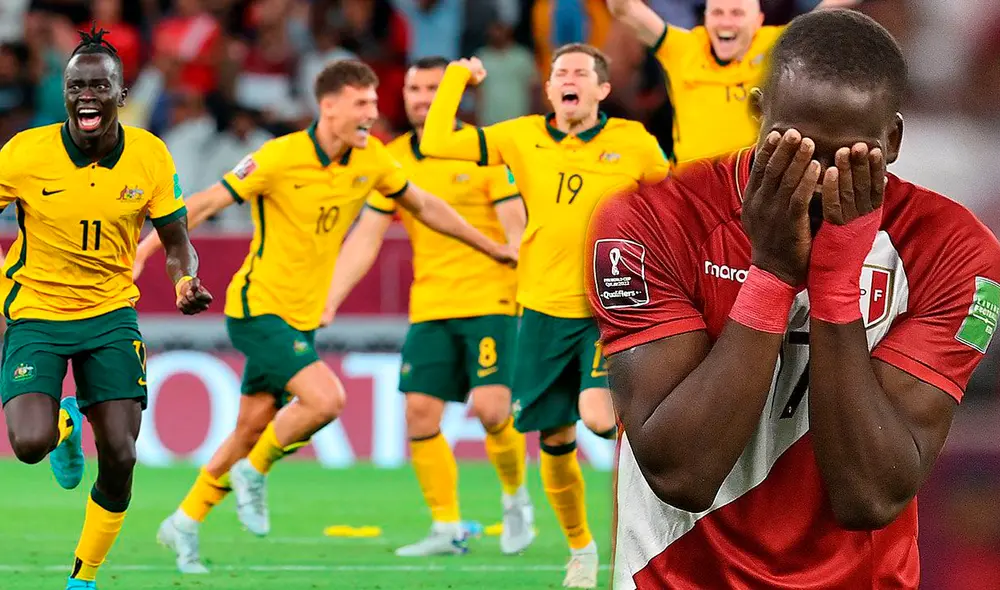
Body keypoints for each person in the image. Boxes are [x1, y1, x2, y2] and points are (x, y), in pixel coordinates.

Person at [586, 10, 1000, 589]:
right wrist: (773, 274)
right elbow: (681, 474)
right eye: (794, 150)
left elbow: (870, 495)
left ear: (894, 141)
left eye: (849, 158)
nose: (816, 180)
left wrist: (834, 285)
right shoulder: (650, 220)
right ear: (758, 113)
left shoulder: (954, 252)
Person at [132, 59, 516, 574]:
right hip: (258, 308)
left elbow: (425, 205)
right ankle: (254, 471)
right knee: (326, 398)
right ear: (329, 106)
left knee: (249, 426)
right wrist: (145, 250)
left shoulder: (372, 159)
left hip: (302, 317)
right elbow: (203, 203)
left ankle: (184, 521)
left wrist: (490, 246)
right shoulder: (280, 156)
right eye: (362, 104)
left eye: (375, 106)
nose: (372, 115)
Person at [421, 43, 670, 588]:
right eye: (560, 73)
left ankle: (666, 486)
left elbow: (674, 204)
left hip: (611, 304)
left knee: (601, 416)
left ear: (603, 90)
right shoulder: (521, 135)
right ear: (551, 89)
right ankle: (581, 549)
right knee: (553, 439)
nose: (568, 79)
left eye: (581, 72)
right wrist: (457, 78)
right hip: (539, 307)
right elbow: (436, 141)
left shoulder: (632, 142)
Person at [0, 26, 213, 590]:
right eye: (76, 86)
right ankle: (65, 426)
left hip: (111, 314)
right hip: (38, 312)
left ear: (121, 95)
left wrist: (185, 279)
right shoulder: (25, 153)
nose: (86, 96)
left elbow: (175, 242)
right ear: (65, 93)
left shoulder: (149, 155)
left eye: (99, 86)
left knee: (120, 454)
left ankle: (83, 579)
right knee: (28, 445)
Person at [323, 56, 534, 558]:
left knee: (490, 409)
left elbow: (518, 231)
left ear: (453, 97)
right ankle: (446, 526)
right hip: (431, 302)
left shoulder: (482, 152)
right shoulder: (390, 157)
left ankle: (514, 498)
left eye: (433, 89)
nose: (422, 98)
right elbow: (366, 238)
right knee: (419, 414)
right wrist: (329, 299)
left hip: (492, 297)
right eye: (415, 89)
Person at [605, 0, 854, 163]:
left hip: (754, 197)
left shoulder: (777, 45)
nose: (726, 22)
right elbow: (624, 9)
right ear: (706, 19)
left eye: (737, 13)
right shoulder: (682, 48)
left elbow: (829, 11)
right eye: (718, 13)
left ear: (757, 20)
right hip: (691, 197)